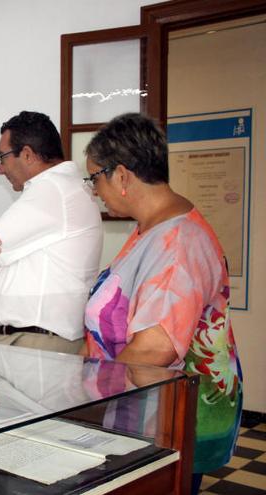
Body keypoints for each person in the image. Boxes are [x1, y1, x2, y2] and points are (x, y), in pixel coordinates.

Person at [82, 113, 242, 493]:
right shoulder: (152, 227)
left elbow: (155, 347)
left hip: (168, 418)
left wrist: (88, 402)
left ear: (121, 176)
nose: (94, 190)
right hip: (148, 412)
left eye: (94, 178)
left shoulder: (178, 244)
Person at [0, 111, 102, 354]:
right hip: (35, 340)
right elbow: (0, 243)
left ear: (27, 154)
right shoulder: (59, 190)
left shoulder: (51, 189)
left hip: (38, 343)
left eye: (2, 157)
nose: (0, 169)